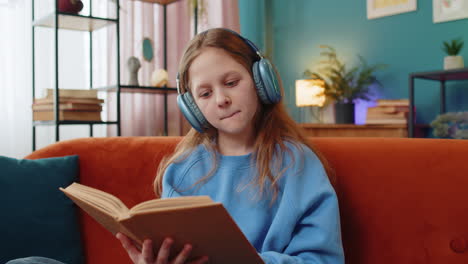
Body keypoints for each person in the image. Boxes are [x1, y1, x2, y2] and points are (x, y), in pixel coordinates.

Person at [7, 28, 344, 264]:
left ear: (261, 82)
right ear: (193, 107)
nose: (222, 100)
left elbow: (322, 260)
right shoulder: (183, 169)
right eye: (206, 93)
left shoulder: (297, 164)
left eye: (231, 82)